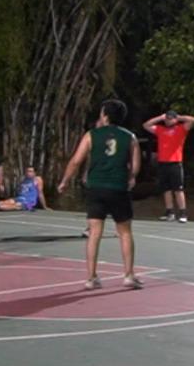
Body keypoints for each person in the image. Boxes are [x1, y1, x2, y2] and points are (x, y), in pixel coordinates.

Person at [58, 99, 141, 290]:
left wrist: (64, 181)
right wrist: (130, 177)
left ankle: (91, 277)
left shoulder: (91, 135)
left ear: (104, 115)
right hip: (119, 188)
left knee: (94, 233)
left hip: (96, 188)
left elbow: (76, 161)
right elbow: (136, 166)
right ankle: (128, 275)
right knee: (125, 232)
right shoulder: (130, 137)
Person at [144, 110, 194, 221]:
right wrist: (160, 117)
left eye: (170, 118)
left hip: (175, 162)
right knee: (166, 189)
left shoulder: (181, 129)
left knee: (178, 189)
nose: (168, 120)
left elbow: (192, 120)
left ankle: (183, 213)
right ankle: (170, 212)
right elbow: (146, 125)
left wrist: (179, 117)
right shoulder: (160, 129)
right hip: (163, 162)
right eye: (167, 119)